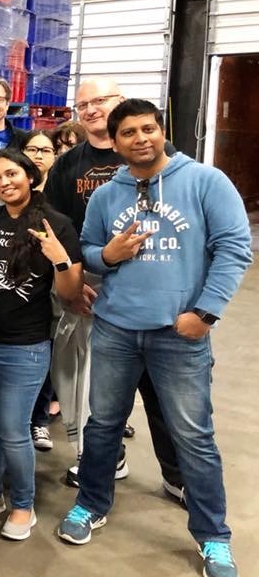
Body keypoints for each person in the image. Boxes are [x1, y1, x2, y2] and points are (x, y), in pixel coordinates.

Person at [58, 99, 251, 577]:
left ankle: (213, 538)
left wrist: (205, 313)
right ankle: (91, 503)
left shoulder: (205, 182)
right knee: (102, 425)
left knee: (194, 436)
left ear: (162, 131)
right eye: (129, 132)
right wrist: (108, 253)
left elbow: (234, 247)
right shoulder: (107, 195)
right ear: (115, 141)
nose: (140, 138)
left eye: (148, 129)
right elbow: (87, 251)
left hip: (178, 335)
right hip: (115, 329)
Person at [44, 78, 181, 496]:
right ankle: (106, 460)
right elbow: (56, 229)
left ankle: (177, 476)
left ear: (120, 103)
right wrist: (74, 281)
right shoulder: (69, 165)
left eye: (100, 100)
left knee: (163, 392)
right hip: (93, 289)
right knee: (98, 389)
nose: (90, 109)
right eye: (82, 104)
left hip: (155, 291)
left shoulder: (164, 159)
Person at [0, 148, 83, 540]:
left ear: (30, 175)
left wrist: (59, 258)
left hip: (24, 348)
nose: (5, 183)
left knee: (12, 429)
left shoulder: (57, 225)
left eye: (11, 174)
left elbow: (72, 293)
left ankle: (23, 505)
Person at [20, 129, 61, 451]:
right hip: (16, 289)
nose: (38, 155)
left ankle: (40, 421)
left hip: (50, 287)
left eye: (45, 150)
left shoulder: (59, 195)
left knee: (45, 354)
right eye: (31, 149)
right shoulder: (11, 190)